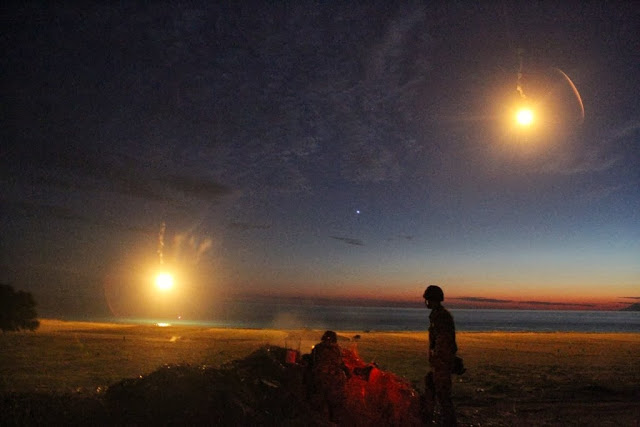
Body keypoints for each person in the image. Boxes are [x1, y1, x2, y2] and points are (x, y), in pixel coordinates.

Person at [423, 285, 458, 426]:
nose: (426, 302)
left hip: (442, 363)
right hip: (439, 362)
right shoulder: (437, 315)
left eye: (428, 299)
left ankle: (449, 423)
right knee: (431, 387)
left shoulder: (441, 316)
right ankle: (428, 418)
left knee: (443, 396)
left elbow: (444, 341)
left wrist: (440, 361)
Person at [308, 330, 349, 423]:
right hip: (335, 381)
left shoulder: (318, 348)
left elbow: (312, 362)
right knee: (334, 407)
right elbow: (340, 363)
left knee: (319, 407)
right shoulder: (337, 349)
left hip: (320, 380)